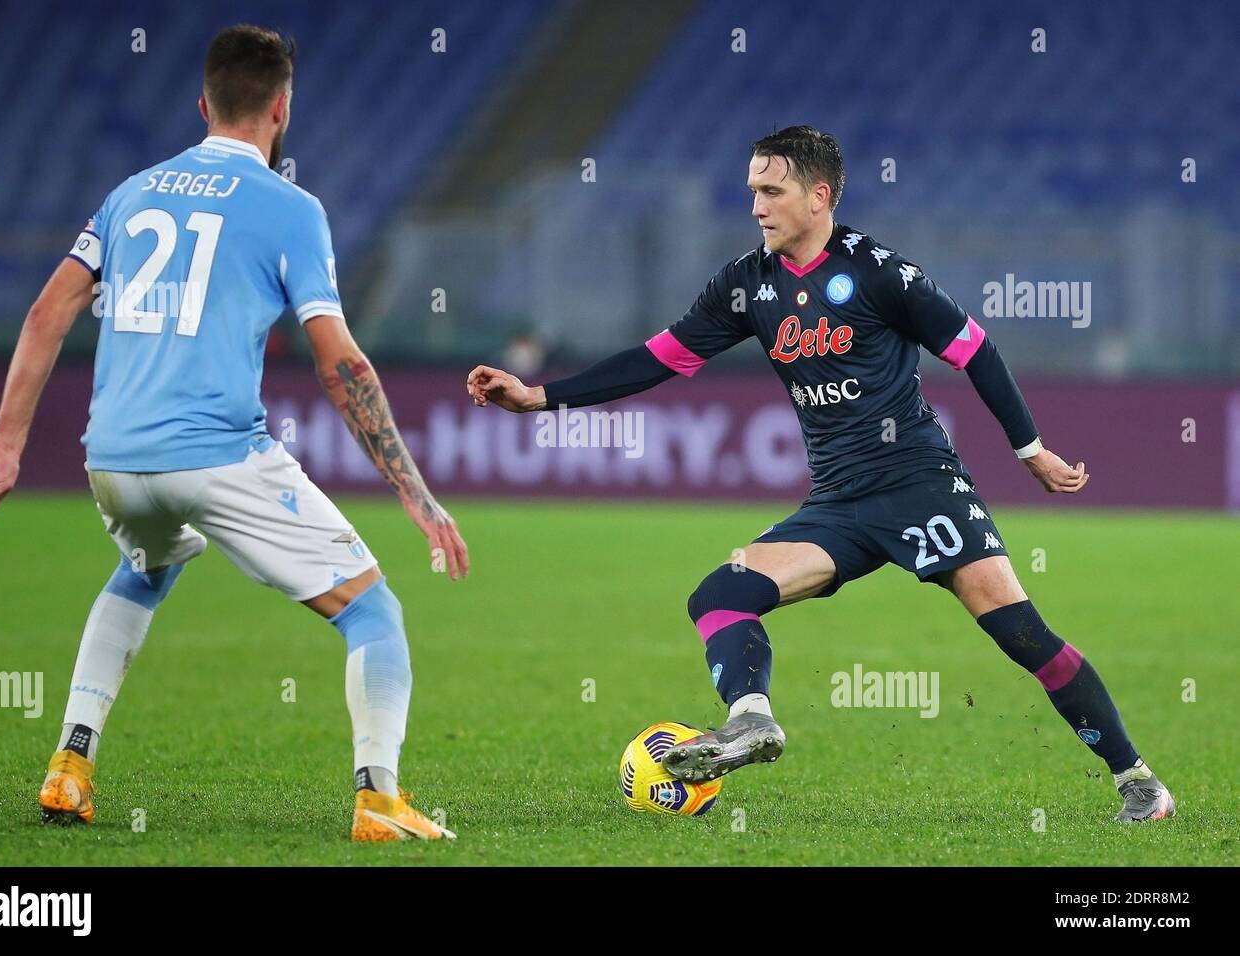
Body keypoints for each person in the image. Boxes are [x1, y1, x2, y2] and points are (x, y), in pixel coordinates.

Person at [466, 125, 1173, 823]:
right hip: (839, 502)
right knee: (719, 596)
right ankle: (749, 721)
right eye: (752, 191)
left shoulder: (880, 274)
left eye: (771, 191)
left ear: (818, 196)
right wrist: (538, 396)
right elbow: (658, 359)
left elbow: (975, 351)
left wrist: (1030, 451)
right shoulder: (747, 286)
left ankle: (1139, 781)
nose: (757, 206)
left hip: (920, 482)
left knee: (1021, 634)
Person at [0, 24, 468, 842]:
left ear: (203, 103)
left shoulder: (132, 193)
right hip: (218, 452)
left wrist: (7, 444)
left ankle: (69, 764)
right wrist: (418, 492)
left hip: (112, 457)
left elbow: (49, 311)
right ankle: (379, 798)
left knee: (145, 568)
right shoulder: (291, 209)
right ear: (282, 110)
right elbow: (343, 366)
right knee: (374, 612)